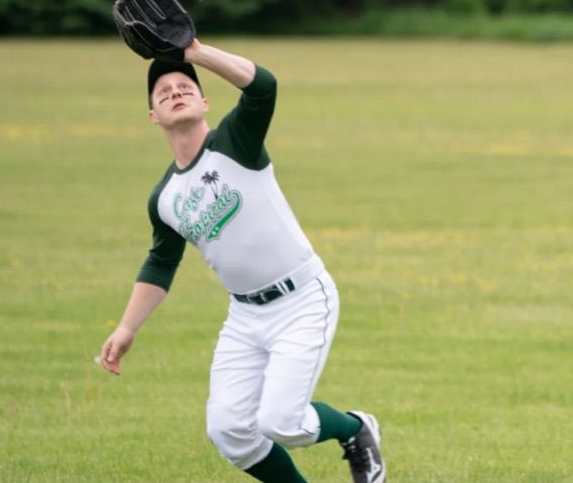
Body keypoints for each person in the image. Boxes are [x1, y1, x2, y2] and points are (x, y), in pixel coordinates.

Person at [98, 40, 386, 483]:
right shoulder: (165, 199)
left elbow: (263, 87)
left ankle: (356, 429)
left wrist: (193, 51)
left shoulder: (235, 142)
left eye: (185, 86)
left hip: (303, 298)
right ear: (153, 115)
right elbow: (160, 264)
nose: (175, 91)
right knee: (230, 431)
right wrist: (126, 327)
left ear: (204, 100)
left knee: (281, 423)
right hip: (245, 317)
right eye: (163, 92)